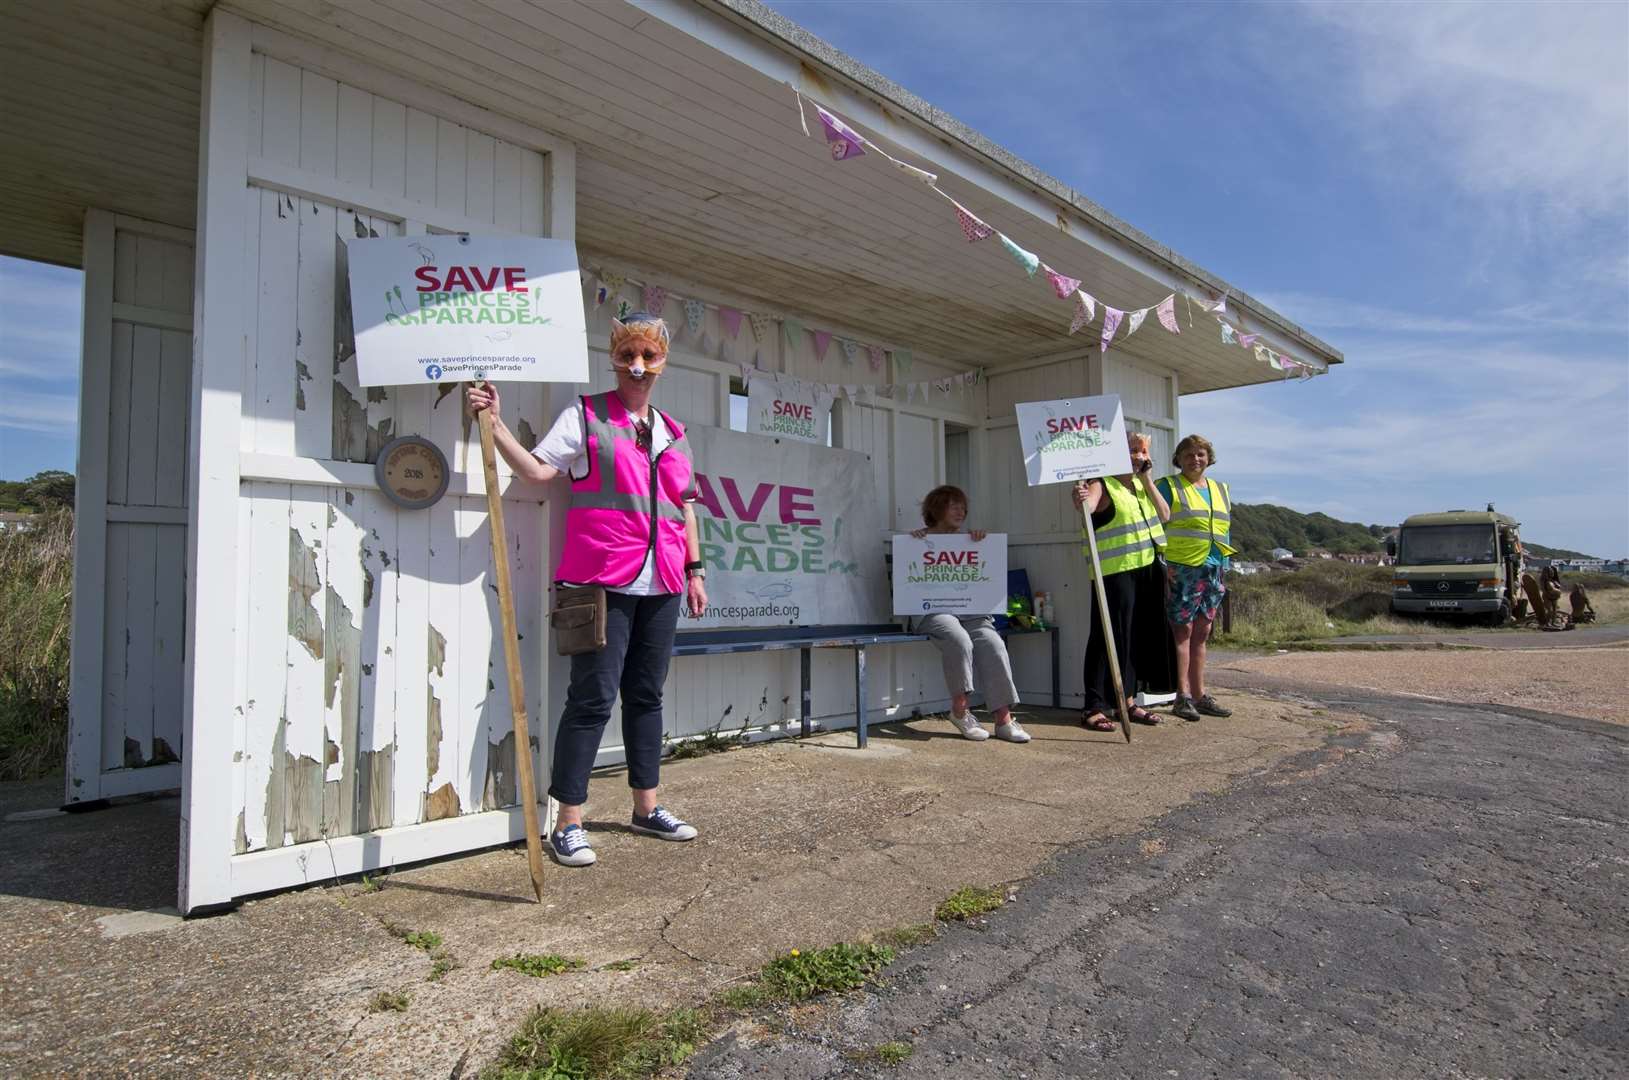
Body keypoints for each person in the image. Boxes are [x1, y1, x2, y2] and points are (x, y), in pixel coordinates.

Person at [466, 312, 707, 868]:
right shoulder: (586, 414)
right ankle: (568, 820)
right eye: (628, 356)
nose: (638, 367)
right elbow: (537, 473)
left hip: (665, 581)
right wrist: (497, 425)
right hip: (601, 578)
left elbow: (685, 507)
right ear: (614, 359)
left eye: (649, 357)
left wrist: (696, 571)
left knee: (647, 695)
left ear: (663, 362)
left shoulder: (674, 431)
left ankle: (646, 808)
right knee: (592, 698)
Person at [1070, 432, 1176, 731]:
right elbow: (1086, 507)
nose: (1140, 457)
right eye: (1133, 450)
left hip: (1146, 570)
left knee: (1133, 637)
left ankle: (1126, 700)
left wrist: (1148, 480)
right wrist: (1080, 498)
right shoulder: (1102, 483)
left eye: (1143, 452)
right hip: (1115, 572)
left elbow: (1165, 514)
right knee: (1107, 637)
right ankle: (1094, 705)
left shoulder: (1140, 488)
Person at [909, 486, 1029, 743]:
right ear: (936, 508)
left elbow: (984, 578)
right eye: (953, 505)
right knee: (959, 639)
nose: (960, 511)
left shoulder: (971, 541)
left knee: (993, 643)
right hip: (934, 611)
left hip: (970, 612)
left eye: (963, 507)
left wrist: (982, 545)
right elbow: (911, 578)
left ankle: (1004, 719)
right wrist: (914, 543)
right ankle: (960, 710)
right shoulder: (918, 540)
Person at [1156, 434, 1235, 722]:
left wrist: (1224, 564)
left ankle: (1200, 695)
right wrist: (1164, 567)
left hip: (1214, 567)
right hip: (1183, 567)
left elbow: (1224, 528)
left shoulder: (1220, 489)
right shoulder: (1169, 486)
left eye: (1200, 454)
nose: (1195, 459)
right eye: (1189, 454)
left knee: (1202, 632)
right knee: (1183, 631)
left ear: (1208, 458)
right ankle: (1182, 695)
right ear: (1179, 459)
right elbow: (1154, 524)